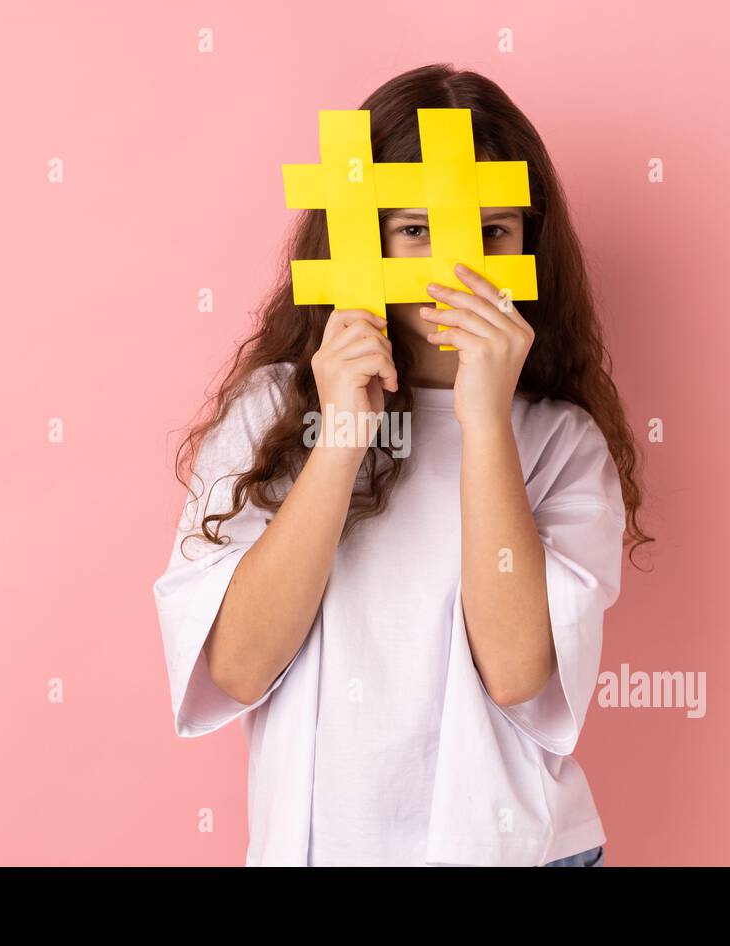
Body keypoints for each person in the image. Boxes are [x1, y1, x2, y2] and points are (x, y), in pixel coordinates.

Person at [154, 63, 650, 866]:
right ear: (362, 234)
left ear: (531, 242)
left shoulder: (562, 442)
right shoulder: (272, 411)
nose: (458, 266)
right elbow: (237, 667)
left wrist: (485, 421)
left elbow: (520, 671)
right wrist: (341, 437)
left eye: (492, 232)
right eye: (417, 229)